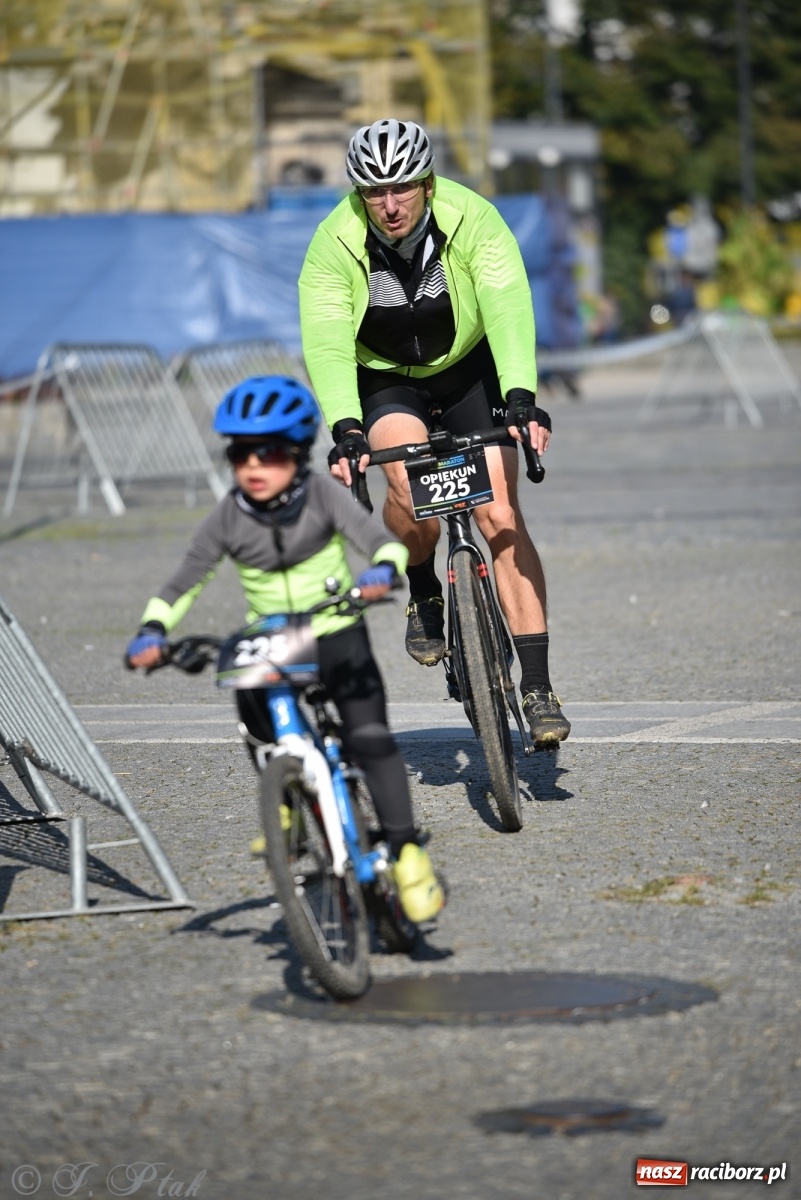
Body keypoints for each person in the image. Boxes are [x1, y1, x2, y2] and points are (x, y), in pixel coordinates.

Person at [125, 374, 445, 924]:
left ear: (296, 456)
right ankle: (286, 806)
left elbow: (380, 544)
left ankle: (408, 852)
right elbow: (186, 581)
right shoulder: (229, 514)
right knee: (249, 701)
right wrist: (152, 630)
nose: (252, 467)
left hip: (337, 622)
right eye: (240, 455)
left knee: (369, 739)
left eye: (268, 454)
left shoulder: (322, 494)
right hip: (274, 636)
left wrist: (381, 574)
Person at [298, 117, 570, 745]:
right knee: (404, 484)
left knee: (500, 516)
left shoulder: (472, 217)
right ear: (358, 194)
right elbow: (328, 339)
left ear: (426, 182)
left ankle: (536, 686)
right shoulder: (334, 241)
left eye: (402, 189)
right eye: (373, 192)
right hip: (386, 377)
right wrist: (344, 429)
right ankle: (424, 587)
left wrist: (522, 400)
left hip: (468, 368)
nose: (389, 206)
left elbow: (506, 302)